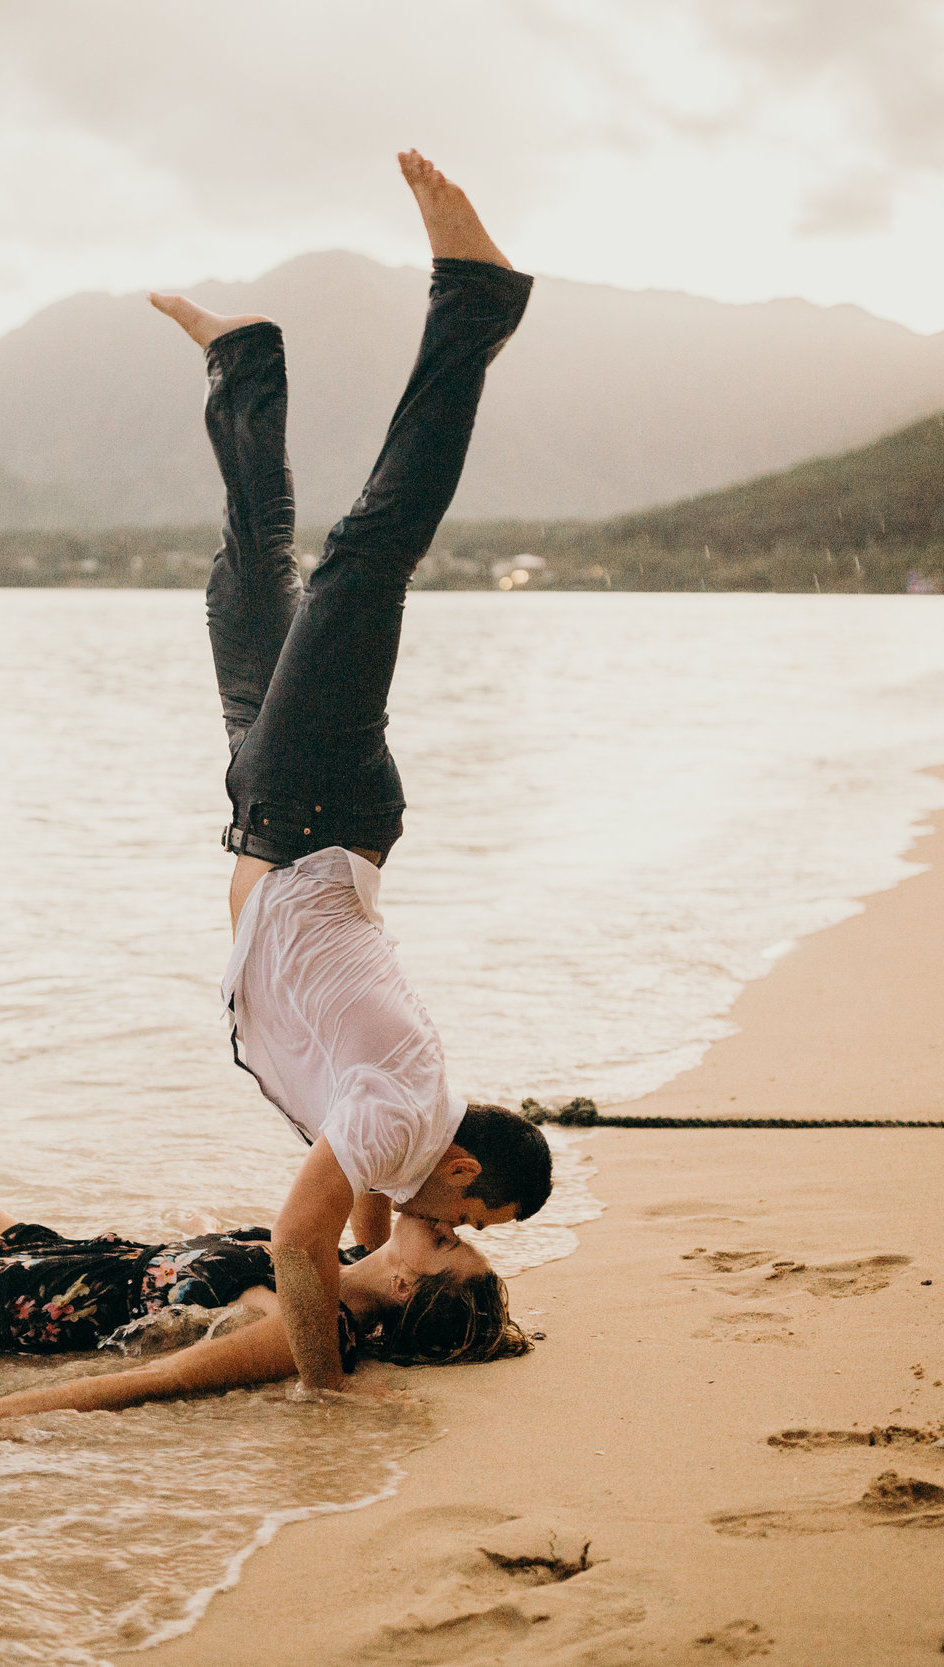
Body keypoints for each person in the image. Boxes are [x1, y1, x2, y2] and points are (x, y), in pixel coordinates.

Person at [145, 151, 554, 1395]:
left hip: (281, 814)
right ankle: (474, 300)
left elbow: (369, 1228)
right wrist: (324, 1392)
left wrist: (405, 1258)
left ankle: (246, 365)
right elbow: (299, 1241)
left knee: (247, 581)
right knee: (363, 558)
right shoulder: (400, 1123)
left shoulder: (395, 1147)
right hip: (311, 809)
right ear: (467, 1176)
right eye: (470, 1225)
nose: (450, 1237)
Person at [0, 1143, 529, 1429]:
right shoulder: (333, 1254)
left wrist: (4, 1412)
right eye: (463, 1226)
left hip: (20, 1309)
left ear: (411, 1282)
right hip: (56, 1253)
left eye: (456, 1242)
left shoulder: (308, 1327)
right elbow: (380, 1155)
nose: (451, 1220)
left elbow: (165, 1378)